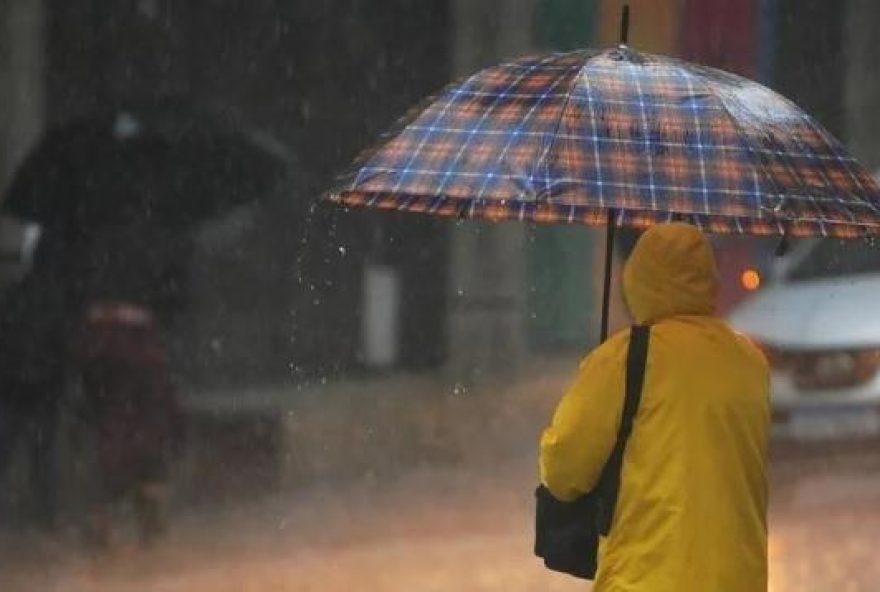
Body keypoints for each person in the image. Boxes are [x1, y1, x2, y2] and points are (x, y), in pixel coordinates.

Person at [539, 223, 770, 591]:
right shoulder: (750, 361)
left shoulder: (625, 358)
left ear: (638, 280)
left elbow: (565, 467)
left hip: (645, 579)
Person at [74, 301, 184, 548]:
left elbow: (90, 387)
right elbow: (165, 396)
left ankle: (107, 533)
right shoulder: (147, 352)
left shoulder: (100, 345)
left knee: (113, 483)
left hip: (120, 429)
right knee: (144, 480)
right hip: (137, 430)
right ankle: (143, 533)